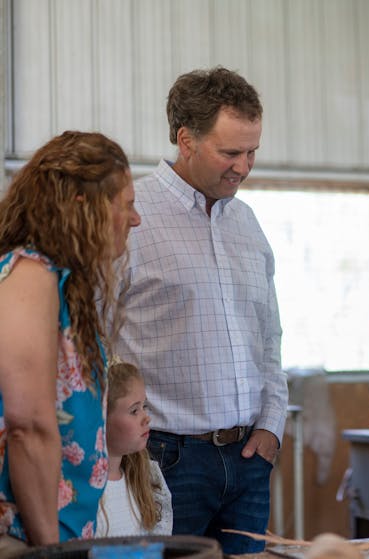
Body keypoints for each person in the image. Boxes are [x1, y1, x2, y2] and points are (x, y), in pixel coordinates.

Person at [113, 67, 288, 554]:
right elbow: (96, 343)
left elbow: (269, 338)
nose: (244, 166)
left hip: (251, 458)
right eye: (230, 152)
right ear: (185, 139)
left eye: (252, 151)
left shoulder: (248, 223)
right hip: (164, 460)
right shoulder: (131, 217)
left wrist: (273, 423)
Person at [0, 131, 141, 552]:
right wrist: (49, 550)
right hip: (24, 538)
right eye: (126, 206)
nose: (135, 220)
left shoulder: (58, 282)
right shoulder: (30, 273)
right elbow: (28, 427)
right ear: (84, 207)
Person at [96, 361, 172, 537]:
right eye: (134, 411)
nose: (146, 418)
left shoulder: (145, 479)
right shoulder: (83, 490)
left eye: (144, 406)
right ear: (100, 418)